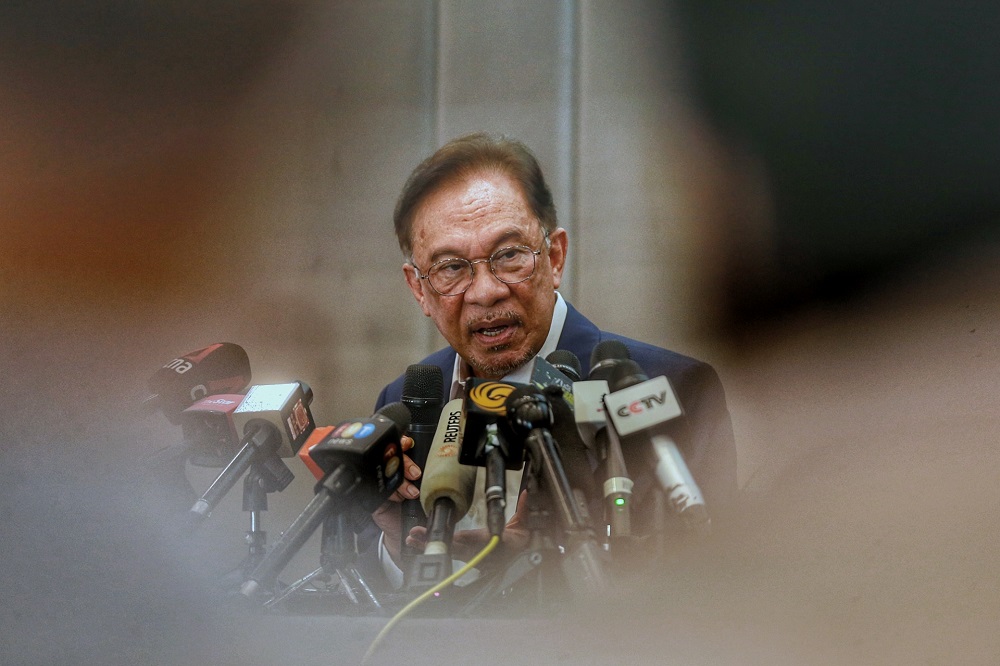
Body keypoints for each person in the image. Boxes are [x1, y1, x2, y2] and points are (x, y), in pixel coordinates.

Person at [367, 132, 737, 586]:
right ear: (419, 289)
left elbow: (711, 584)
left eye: (509, 256)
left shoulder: (673, 389)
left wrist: (559, 556)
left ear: (555, 257)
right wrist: (393, 544)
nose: (486, 291)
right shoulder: (404, 403)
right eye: (450, 268)